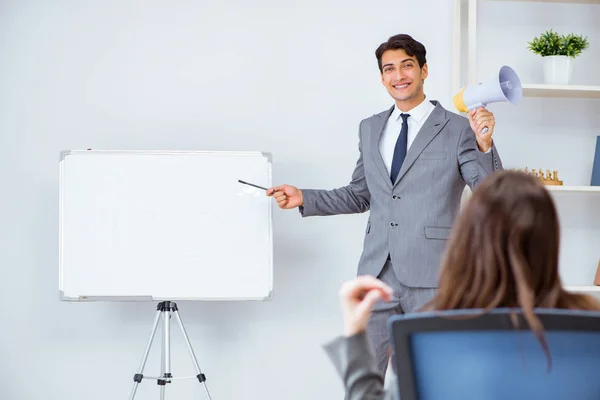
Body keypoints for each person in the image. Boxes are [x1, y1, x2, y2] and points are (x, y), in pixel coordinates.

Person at [267, 33, 503, 375]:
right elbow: (361, 193)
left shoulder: (457, 128)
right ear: (381, 77)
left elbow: (489, 194)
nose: (398, 76)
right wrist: (305, 197)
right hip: (376, 275)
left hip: (433, 275)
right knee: (365, 377)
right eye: (389, 69)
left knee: (432, 377)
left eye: (407, 66)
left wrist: (484, 144)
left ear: (424, 70)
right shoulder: (370, 127)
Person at [323, 170, 600, 400]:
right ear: (550, 244)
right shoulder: (589, 329)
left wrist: (355, 335)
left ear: (465, 242)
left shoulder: (426, 336)